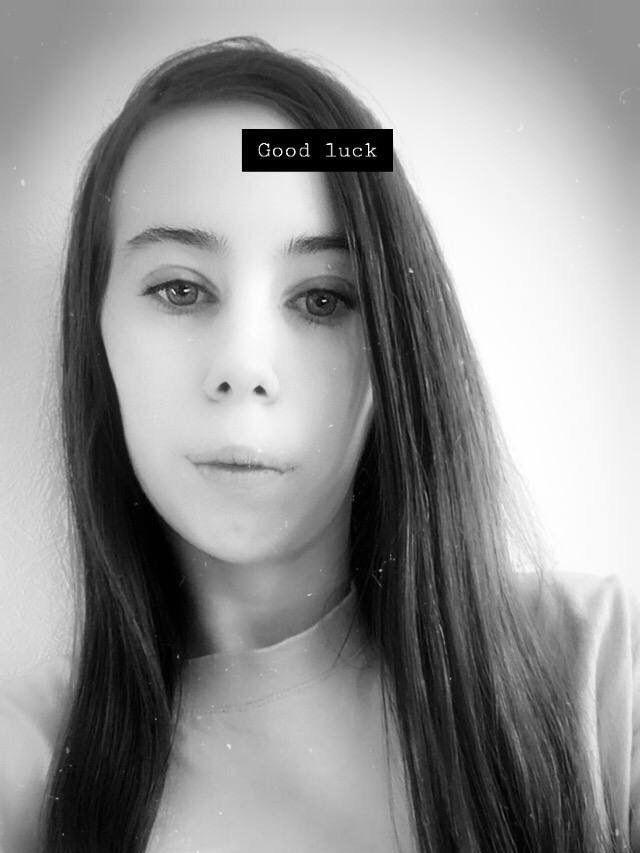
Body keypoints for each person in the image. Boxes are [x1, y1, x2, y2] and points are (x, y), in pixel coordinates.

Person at [0, 35, 638, 853]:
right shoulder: (32, 767)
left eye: (324, 299)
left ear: (397, 348)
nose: (243, 366)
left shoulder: (594, 669)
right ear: (97, 332)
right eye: (181, 288)